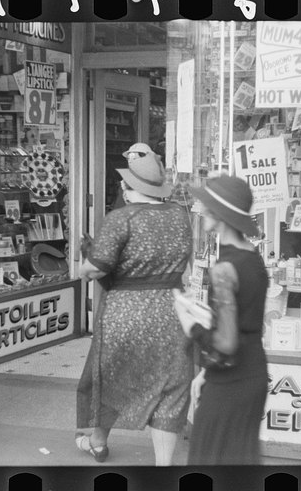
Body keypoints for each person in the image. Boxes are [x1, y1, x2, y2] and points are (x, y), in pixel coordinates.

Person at [76, 152, 194, 465]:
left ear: (130, 187)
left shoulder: (121, 218)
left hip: (124, 313)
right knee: (171, 387)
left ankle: (98, 442)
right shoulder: (180, 215)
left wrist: (82, 260)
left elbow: (94, 270)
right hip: (171, 310)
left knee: (112, 375)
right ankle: (163, 466)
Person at [175, 174, 269, 465]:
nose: (200, 210)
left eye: (206, 205)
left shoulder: (224, 269)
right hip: (252, 373)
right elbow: (244, 325)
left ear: (221, 214)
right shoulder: (252, 257)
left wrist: (190, 323)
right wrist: (206, 372)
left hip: (231, 380)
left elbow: (225, 343)